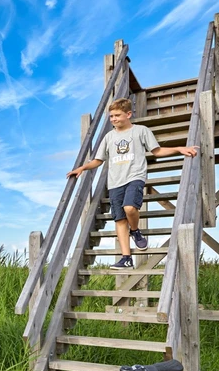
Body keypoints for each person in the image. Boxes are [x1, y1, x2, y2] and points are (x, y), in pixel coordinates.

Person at [67, 98, 198, 269]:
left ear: (128, 114)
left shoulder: (141, 131)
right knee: (120, 220)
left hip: (134, 177)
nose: (113, 119)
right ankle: (126, 258)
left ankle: (135, 231)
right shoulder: (109, 137)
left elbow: (157, 151)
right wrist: (82, 168)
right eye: (111, 116)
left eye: (117, 115)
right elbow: (98, 160)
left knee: (130, 208)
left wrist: (179, 149)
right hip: (114, 183)